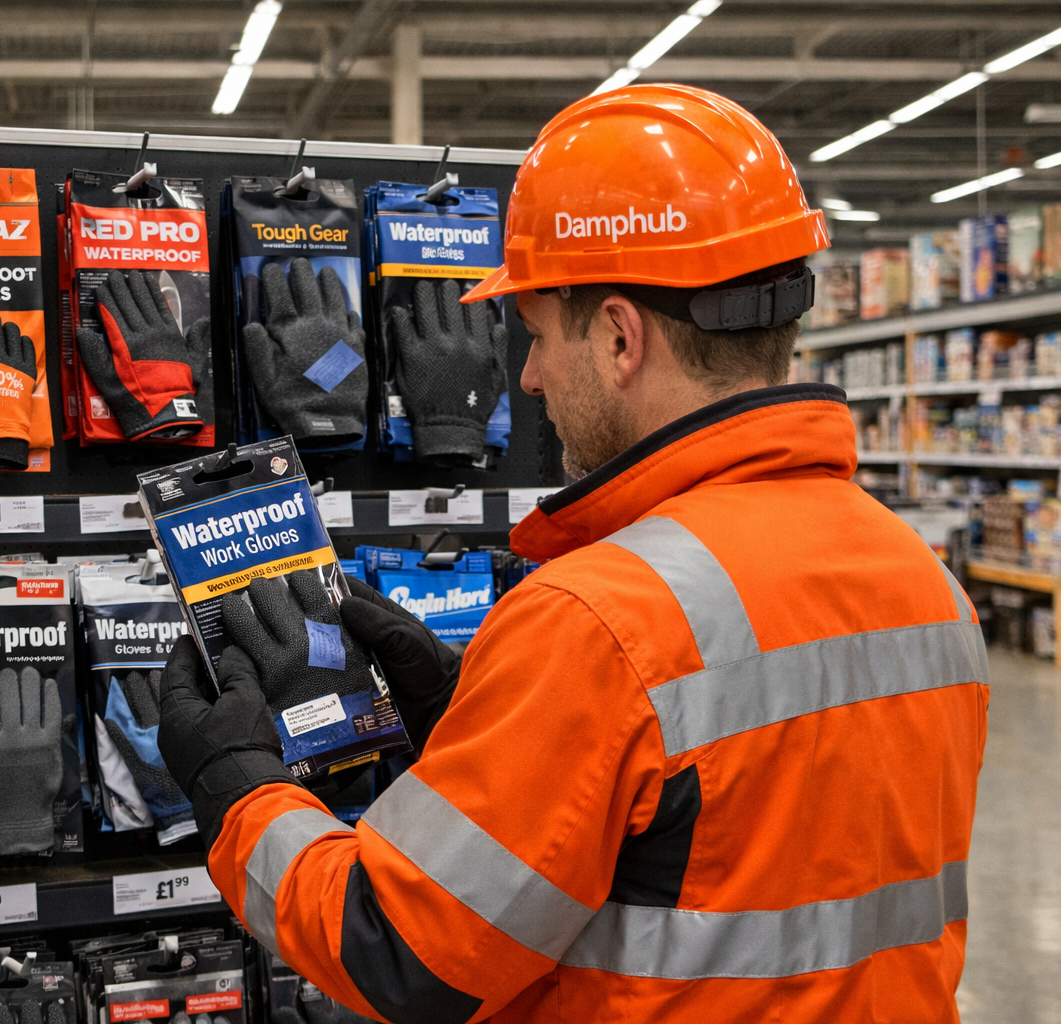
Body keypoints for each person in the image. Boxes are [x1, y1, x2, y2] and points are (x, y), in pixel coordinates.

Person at [156, 83, 989, 1024]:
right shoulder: (925, 581)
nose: (529, 374)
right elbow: (720, 836)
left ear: (621, 336)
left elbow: (400, 949)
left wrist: (236, 787)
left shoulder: (603, 620)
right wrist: (464, 712)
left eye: (542, 333)